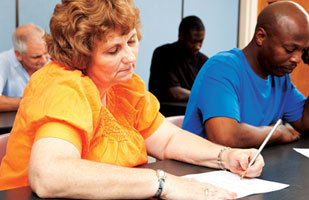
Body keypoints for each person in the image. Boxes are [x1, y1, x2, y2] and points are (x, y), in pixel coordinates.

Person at [0, 0, 264, 199]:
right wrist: (163, 183)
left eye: (132, 41)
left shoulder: (122, 86)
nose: (129, 57)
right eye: (113, 50)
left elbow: (168, 139)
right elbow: (49, 175)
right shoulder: (63, 85)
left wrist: (226, 156)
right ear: (80, 56)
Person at [182, 1, 309, 148]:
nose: (297, 59)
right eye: (290, 49)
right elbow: (224, 136)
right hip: (200, 169)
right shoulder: (222, 68)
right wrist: (275, 133)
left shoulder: (280, 78)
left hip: (243, 167)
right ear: (261, 36)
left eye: (302, 50)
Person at [149, 15, 208, 116]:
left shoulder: (204, 61)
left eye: (201, 41)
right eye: (193, 42)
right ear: (181, 36)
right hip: (164, 114)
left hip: (192, 114)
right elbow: (174, 93)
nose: (198, 46)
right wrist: (200, 94)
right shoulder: (163, 53)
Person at [0, 24, 49, 112]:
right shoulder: (3, 62)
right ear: (18, 55)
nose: (44, 60)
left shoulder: (53, 59)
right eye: (36, 57)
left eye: (46, 53)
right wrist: (30, 101)